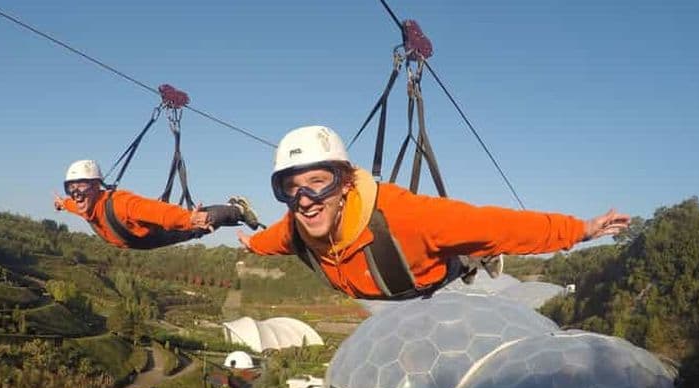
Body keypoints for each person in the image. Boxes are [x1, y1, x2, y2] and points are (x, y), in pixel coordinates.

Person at [237, 125, 630, 300]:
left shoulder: (410, 218)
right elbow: (270, 240)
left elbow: (506, 226)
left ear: (346, 183)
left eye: (318, 182)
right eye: (290, 188)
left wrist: (581, 230)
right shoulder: (294, 227)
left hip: (432, 272)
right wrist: (251, 243)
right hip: (390, 285)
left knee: (474, 243)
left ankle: (478, 259)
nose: (305, 199)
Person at [55, 159, 260, 249]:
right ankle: (224, 212)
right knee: (195, 224)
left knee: (198, 226)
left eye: (81, 188)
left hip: (156, 234)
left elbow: (160, 212)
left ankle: (237, 209)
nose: (77, 195)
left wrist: (187, 219)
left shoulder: (121, 204)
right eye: (71, 190)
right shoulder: (84, 206)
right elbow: (73, 204)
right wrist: (62, 203)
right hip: (139, 242)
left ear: (97, 186)